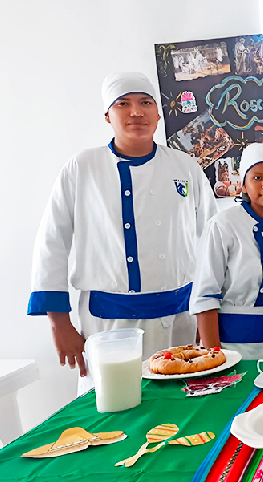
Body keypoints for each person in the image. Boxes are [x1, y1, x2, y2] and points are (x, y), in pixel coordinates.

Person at [27, 72, 218, 391]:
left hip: (179, 317)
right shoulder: (83, 168)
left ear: (158, 114)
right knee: (111, 409)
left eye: (145, 103)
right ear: (107, 116)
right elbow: (52, 242)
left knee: (178, 407)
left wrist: (208, 315)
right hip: (108, 321)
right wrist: (59, 322)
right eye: (123, 104)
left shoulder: (185, 168)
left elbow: (211, 241)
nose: (136, 112)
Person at [190, 143, 263, 359]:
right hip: (226, 345)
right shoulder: (223, 225)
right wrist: (215, 358)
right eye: (257, 178)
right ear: (244, 186)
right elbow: (204, 297)